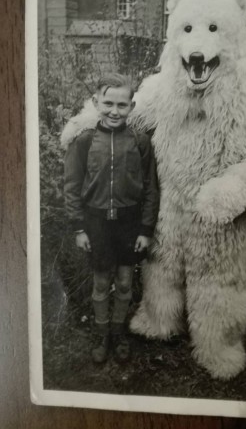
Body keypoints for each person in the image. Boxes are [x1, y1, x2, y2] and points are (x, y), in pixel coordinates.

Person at [64, 73, 159, 364]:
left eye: (122, 105)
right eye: (108, 103)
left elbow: (151, 188)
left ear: (132, 106)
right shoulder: (84, 142)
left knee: (126, 282)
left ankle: (119, 332)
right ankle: (101, 333)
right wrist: (79, 227)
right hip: (97, 223)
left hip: (129, 224)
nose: (114, 111)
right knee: (102, 282)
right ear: (96, 102)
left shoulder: (141, 142)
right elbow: (71, 186)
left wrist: (145, 228)